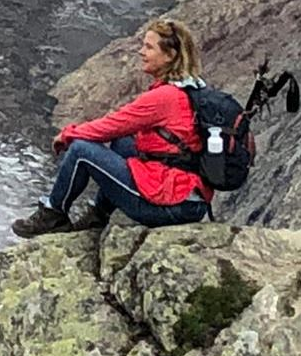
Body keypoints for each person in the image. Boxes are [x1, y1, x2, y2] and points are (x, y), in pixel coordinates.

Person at [12, 17, 214, 237]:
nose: (141, 52)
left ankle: (53, 214)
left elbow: (114, 124)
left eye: (149, 47)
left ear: (169, 56)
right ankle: (97, 216)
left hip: (172, 206)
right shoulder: (192, 89)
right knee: (125, 142)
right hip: (190, 200)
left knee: (81, 150)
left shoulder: (165, 97)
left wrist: (69, 134)